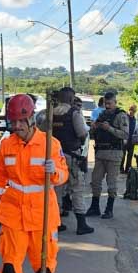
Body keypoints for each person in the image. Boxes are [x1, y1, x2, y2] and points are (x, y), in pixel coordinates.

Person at [0, 94, 69, 273]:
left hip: (42, 213)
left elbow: (63, 175)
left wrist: (54, 171)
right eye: (13, 122)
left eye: (21, 121)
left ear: (32, 118)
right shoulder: (7, 144)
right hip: (13, 212)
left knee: (42, 260)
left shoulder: (50, 144)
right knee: (10, 264)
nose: (17, 126)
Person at [36, 87, 93, 235]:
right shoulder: (74, 113)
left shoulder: (50, 113)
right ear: (71, 99)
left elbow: (41, 133)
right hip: (71, 157)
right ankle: (81, 224)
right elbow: (82, 133)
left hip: (54, 158)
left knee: (56, 190)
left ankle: (56, 223)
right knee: (77, 189)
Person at [86, 91, 130, 219]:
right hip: (101, 152)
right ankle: (95, 207)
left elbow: (126, 135)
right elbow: (94, 132)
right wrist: (94, 127)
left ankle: (109, 209)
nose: (107, 106)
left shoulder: (121, 115)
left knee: (111, 182)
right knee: (95, 181)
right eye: (106, 103)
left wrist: (109, 128)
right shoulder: (102, 114)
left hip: (114, 153)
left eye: (110, 103)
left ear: (115, 102)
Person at [121, 104, 138, 173]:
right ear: (128, 110)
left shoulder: (135, 120)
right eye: (130, 110)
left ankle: (128, 169)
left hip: (131, 140)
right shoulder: (124, 117)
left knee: (130, 156)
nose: (131, 112)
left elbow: (136, 130)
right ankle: (121, 168)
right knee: (123, 155)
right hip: (124, 139)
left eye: (133, 111)